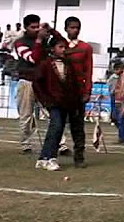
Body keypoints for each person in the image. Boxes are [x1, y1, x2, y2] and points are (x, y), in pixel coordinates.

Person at [32, 34, 82, 172]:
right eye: (60, 47)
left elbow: (73, 85)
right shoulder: (45, 64)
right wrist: (45, 100)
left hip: (66, 102)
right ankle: (50, 157)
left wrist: (75, 102)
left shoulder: (68, 65)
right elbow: (37, 83)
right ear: (52, 48)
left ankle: (43, 158)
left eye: (65, 47)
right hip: (53, 102)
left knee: (58, 129)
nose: (63, 49)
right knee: (56, 126)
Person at [62, 17, 93, 167]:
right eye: (72, 27)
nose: (75, 30)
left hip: (78, 93)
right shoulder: (59, 46)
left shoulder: (85, 48)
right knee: (57, 124)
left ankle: (79, 157)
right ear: (66, 29)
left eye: (77, 27)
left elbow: (88, 71)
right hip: (61, 92)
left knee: (78, 127)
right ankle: (51, 155)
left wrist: (87, 92)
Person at [12, 15, 46, 153]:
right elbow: (33, 58)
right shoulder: (20, 42)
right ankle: (26, 144)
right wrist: (39, 41)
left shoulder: (45, 40)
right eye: (33, 27)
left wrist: (51, 31)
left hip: (43, 82)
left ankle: (60, 144)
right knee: (26, 115)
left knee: (53, 114)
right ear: (26, 27)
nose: (37, 29)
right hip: (27, 81)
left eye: (38, 26)